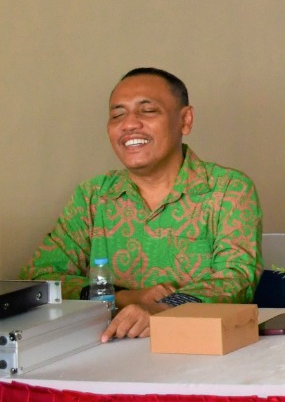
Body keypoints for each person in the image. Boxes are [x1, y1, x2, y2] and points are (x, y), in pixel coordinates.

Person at [22, 68, 261, 340]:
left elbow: (236, 278)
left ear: (185, 120)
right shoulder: (93, 196)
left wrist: (162, 308)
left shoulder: (227, 189)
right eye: (117, 115)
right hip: (109, 346)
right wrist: (123, 297)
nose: (129, 124)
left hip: (202, 346)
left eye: (147, 111)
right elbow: (40, 278)